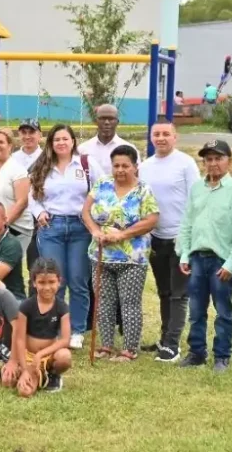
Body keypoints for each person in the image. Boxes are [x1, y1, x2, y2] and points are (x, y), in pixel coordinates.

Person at [177, 139, 232, 373]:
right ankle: (197, 352)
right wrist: (184, 254)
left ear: (229, 161)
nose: (213, 163)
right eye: (208, 159)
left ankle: (222, 355)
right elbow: (187, 222)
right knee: (196, 310)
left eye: (218, 158)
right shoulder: (197, 189)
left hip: (222, 261)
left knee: (223, 310)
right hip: (197, 258)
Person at [28, 124, 102, 350]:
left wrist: (95, 218)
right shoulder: (42, 166)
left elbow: (101, 190)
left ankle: (77, 330)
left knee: (78, 281)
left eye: (65, 139)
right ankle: (57, 329)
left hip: (81, 226)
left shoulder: (86, 164)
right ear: (51, 143)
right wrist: (39, 212)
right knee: (55, 281)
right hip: (52, 227)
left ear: (73, 141)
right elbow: (32, 196)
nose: (61, 143)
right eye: (56, 139)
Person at [82, 145, 159, 362]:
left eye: (125, 166)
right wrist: (95, 231)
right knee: (103, 302)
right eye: (116, 166)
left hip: (131, 257)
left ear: (135, 166)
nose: (120, 170)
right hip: (100, 255)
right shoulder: (102, 184)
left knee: (129, 303)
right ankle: (106, 345)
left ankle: (129, 349)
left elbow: (151, 220)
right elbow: (86, 211)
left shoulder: (143, 190)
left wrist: (122, 235)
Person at [139, 122, 200, 362]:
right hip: (155, 238)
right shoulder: (145, 167)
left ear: (175, 137)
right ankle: (164, 338)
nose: (161, 138)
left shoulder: (186, 163)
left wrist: (189, 237)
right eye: (157, 134)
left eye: (166, 134)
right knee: (164, 291)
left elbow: (196, 200)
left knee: (179, 294)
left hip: (180, 238)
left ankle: (173, 345)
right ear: (151, 137)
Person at [13, 258, 72, 396]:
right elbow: (19, 339)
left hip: (48, 356)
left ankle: (52, 374)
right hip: (28, 356)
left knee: (65, 357)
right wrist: (25, 368)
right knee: (25, 391)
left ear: (59, 281)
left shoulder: (62, 307)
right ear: (34, 282)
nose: (47, 287)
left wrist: (41, 354)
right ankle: (32, 374)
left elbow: (65, 340)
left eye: (51, 282)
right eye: (41, 282)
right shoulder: (26, 306)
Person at [12, 119, 44, 292]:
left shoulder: (47, 158)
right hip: (15, 215)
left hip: (37, 215)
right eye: (23, 132)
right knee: (12, 260)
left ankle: (34, 299)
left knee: (35, 262)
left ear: (40, 135)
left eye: (31, 132)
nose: (27, 136)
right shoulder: (12, 158)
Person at [78, 104, 138, 176]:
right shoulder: (83, 149)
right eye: (102, 118)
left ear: (117, 122)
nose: (106, 122)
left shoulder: (129, 149)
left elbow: (136, 176)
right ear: (96, 121)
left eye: (111, 119)